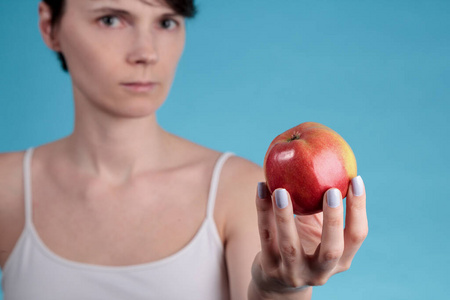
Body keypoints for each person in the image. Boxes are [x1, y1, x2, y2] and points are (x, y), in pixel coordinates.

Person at [0, 0, 368, 299]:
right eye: (111, 19)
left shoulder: (242, 191)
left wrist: (279, 289)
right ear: (49, 26)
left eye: (167, 22)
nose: (146, 53)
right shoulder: (7, 188)